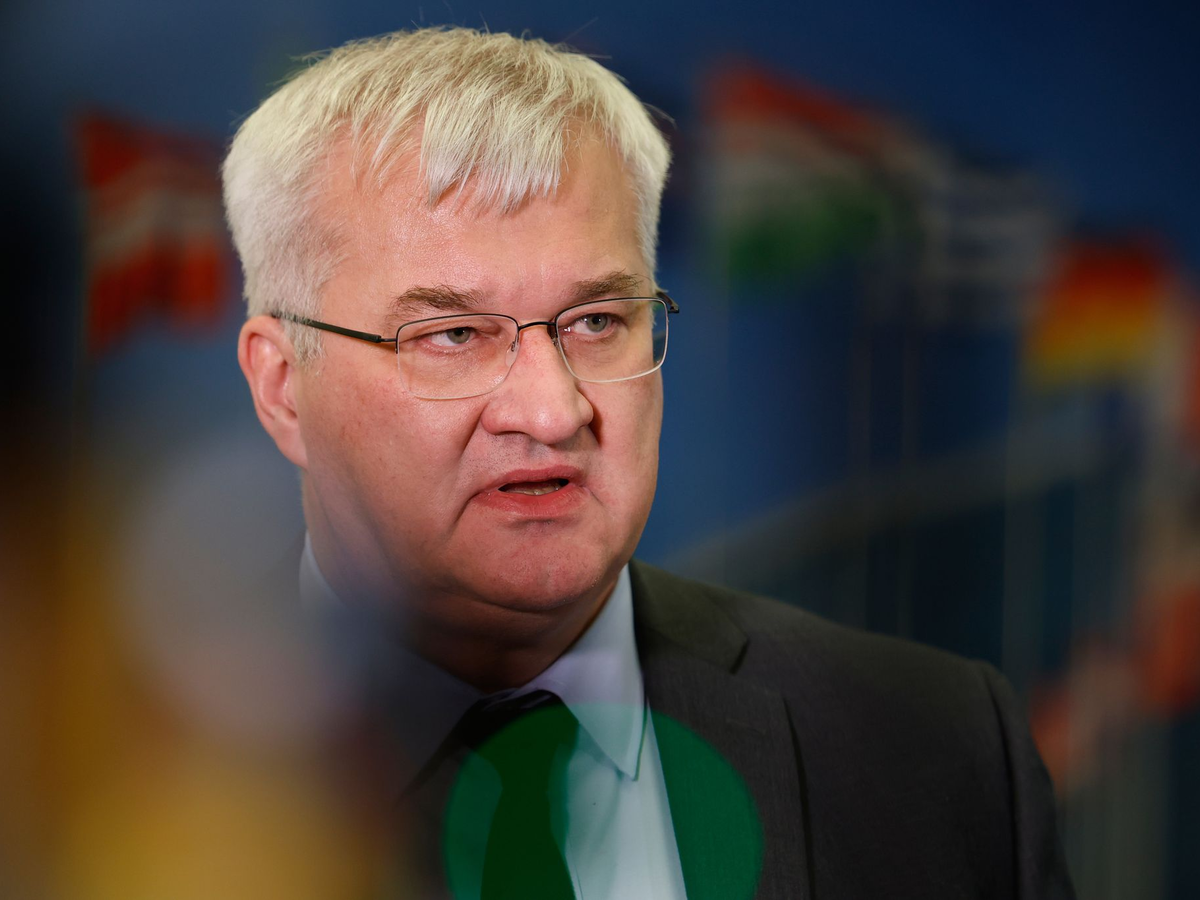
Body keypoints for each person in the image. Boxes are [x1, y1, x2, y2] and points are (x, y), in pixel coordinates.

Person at [224, 26, 1074, 899]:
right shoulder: (158, 792)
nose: (554, 411)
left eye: (598, 321)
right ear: (283, 387)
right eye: (453, 335)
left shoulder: (942, 749)